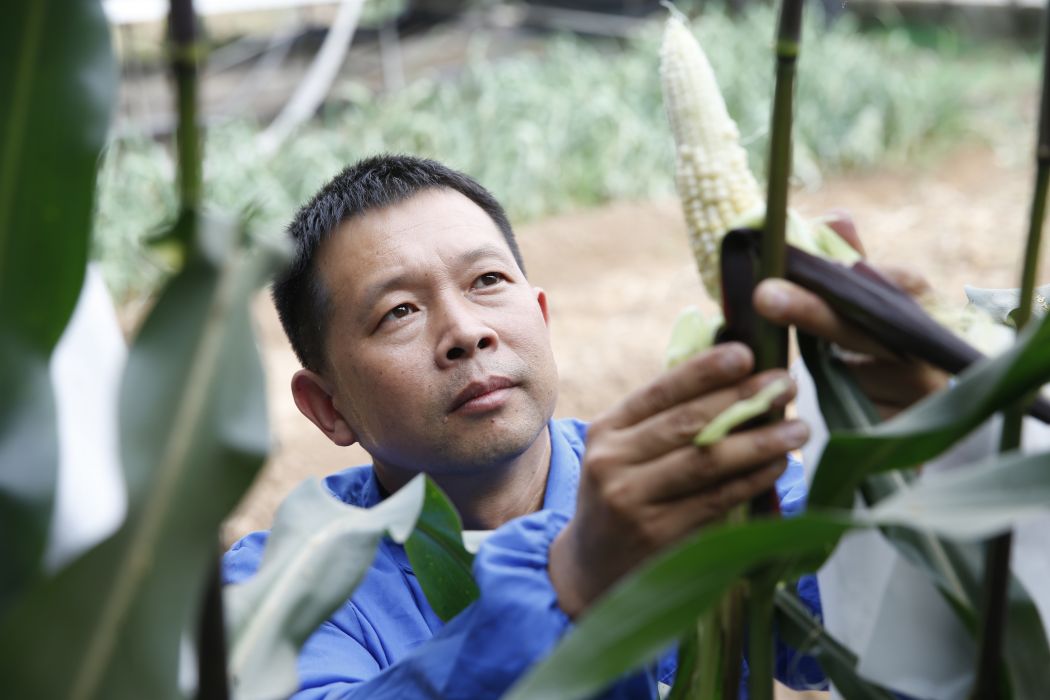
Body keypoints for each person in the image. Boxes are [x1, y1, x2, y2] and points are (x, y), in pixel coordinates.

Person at [223, 154, 943, 698]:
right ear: (327, 407)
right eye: (399, 312)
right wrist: (566, 582)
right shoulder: (278, 587)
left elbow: (883, 630)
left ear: (540, 316)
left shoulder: (680, 485)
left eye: (487, 282)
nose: (466, 332)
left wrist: (918, 458)